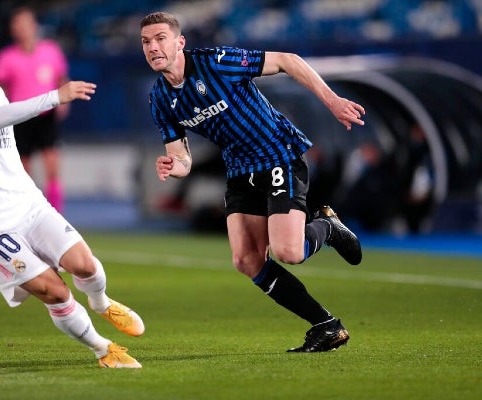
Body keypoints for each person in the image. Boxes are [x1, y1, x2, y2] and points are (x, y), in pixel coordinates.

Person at [0, 7, 143, 368]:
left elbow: (5, 148)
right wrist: (54, 97)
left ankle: (102, 302)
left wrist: (33, 196)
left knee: (85, 266)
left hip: (27, 205)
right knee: (54, 290)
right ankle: (103, 349)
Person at [140, 12, 364, 352]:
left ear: (179, 42)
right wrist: (174, 166)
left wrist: (331, 100)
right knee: (246, 260)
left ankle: (328, 227)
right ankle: (326, 326)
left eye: (160, 38)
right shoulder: (160, 99)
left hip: (278, 153)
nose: (153, 47)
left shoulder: (218, 62)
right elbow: (183, 157)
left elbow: (289, 61)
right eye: (146, 42)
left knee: (288, 252)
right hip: (239, 169)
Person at [0, 6, 68, 212]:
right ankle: (30, 211)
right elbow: (1, 88)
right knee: (23, 169)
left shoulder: (51, 51)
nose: (22, 28)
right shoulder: (7, 57)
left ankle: (56, 213)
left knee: (52, 165)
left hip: (46, 114)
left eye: (25, 23)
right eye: (17, 24)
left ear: (34, 25)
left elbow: (61, 79)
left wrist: (64, 103)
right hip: (20, 117)